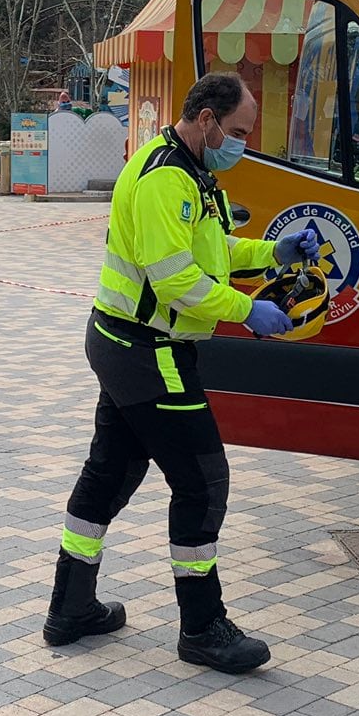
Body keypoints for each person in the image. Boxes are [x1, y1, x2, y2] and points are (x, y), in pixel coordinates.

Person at [45, 70, 320, 675]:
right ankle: (202, 628)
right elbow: (178, 282)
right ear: (206, 119)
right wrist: (251, 311)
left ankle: (72, 606)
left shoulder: (193, 174)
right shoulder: (165, 179)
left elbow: (213, 254)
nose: (242, 144)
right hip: (148, 351)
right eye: (239, 132)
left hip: (128, 344)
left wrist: (275, 253)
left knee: (109, 474)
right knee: (201, 480)